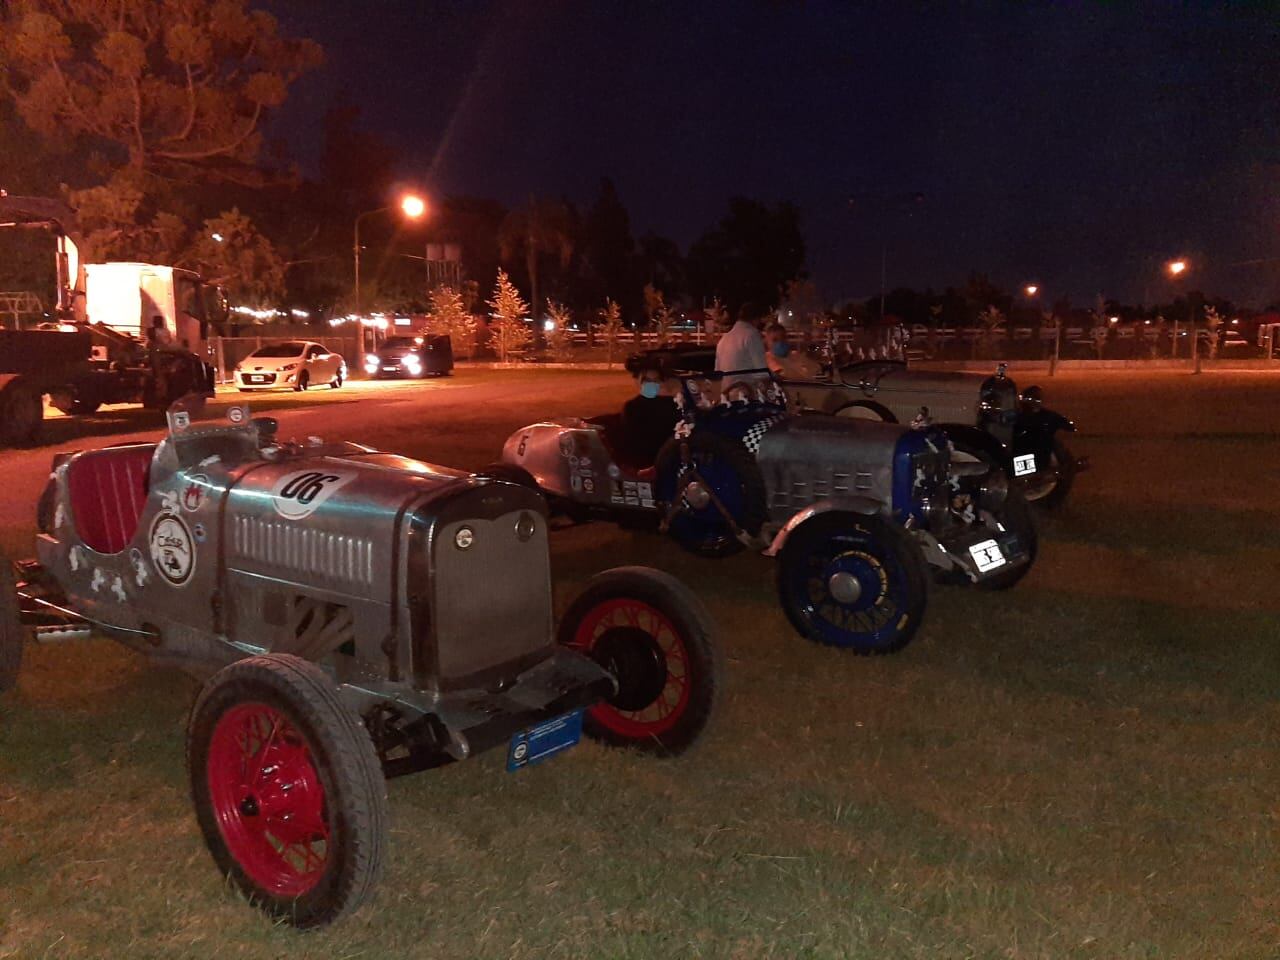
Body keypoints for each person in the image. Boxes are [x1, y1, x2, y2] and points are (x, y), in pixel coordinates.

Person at [620, 366, 679, 466]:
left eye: (656, 380)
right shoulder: (633, 407)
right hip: (647, 458)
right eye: (647, 380)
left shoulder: (672, 404)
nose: (652, 384)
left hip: (669, 456)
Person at [715, 303, 768, 379]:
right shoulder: (752, 335)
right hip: (746, 388)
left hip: (726, 389)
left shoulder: (723, 339)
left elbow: (718, 372)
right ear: (756, 319)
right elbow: (762, 372)